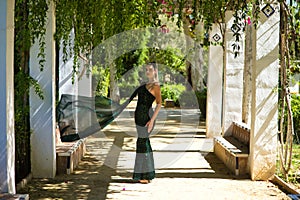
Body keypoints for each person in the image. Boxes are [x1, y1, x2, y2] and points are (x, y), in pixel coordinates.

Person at [132, 63, 162, 184]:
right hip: (138, 117)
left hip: (147, 118)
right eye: (146, 70)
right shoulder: (145, 84)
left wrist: (152, 121)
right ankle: (145, 174)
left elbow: (159, 104)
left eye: (150, 70)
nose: (148, 72)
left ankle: (145, 175)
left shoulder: (156, 86)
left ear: (155, 71)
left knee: (143, 143)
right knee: (142, 143)